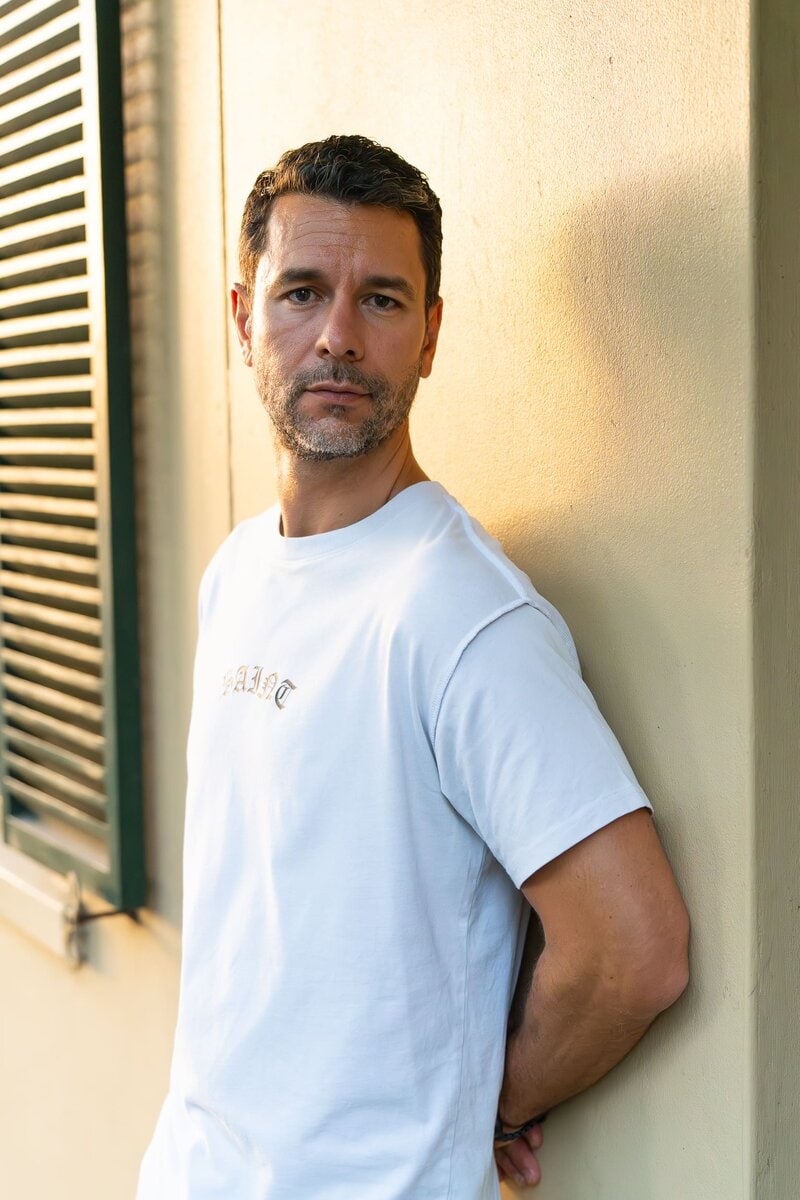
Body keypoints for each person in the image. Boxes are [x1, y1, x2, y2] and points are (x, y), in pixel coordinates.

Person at [137, 134, 689, 1199]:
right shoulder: (238, 572)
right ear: (244, 317)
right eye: (303, 292)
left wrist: (499, 1099)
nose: (337, 337)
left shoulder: (458, 614)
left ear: (428, 335)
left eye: (381, 301)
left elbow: (634, 949)